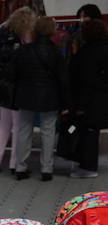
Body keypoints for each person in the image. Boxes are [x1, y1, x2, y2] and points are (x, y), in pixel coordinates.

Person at [6, 17, 70, 182]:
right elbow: (63, 79)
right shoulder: (56, 52)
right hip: (49, 97)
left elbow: (11, 74)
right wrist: (66, 102)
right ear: (52, 32)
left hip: (25, 95)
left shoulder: (23, 50)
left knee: (24, 130)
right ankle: (46, 169)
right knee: (48, 132)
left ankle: (21, 168)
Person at [0, 7, 36, 174]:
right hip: (17, 87)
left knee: (3, 126)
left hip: (2, 85)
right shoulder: (22, 39)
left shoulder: (0, 33)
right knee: (18, 127)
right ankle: (15, 164)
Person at [69, 19, 108, 178]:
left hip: (91, 100)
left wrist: (79, 105)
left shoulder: (86, 53)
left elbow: (83, 80)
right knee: (93, 132)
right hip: (104, 98)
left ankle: (88, 167)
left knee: (88, 133)